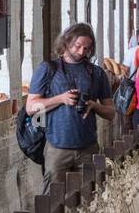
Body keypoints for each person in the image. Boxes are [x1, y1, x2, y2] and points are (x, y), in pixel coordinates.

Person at [26, 22, 116, 194]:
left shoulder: (97, 73)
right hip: (57, 147)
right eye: (78, 46)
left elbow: (111, 113)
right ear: (66, 42)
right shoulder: (48, 70)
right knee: (52, 202)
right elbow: (31, 107)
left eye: (87, 48)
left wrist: (94, 106)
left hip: (88, 147)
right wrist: (61, 99)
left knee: (93, 200)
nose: (82, 52)